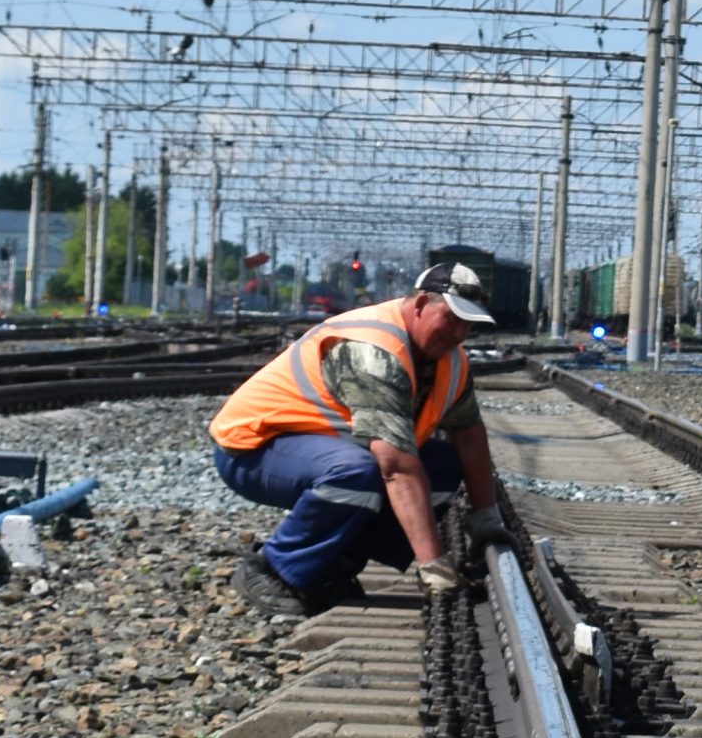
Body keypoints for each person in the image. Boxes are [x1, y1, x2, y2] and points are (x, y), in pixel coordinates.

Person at [210, 261, 510, 617]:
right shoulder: (374, 349)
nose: (460, 333)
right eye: (452, 318)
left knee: (443, 466)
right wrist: (434, 567)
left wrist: (486, 519)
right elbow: (395, 467)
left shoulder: (452, 361)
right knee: (359, 472)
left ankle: (332, 565)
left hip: (321, 447)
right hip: (254, 446)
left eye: (469, 325)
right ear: (418, 305)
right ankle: (274, 571)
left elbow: (468, 437)